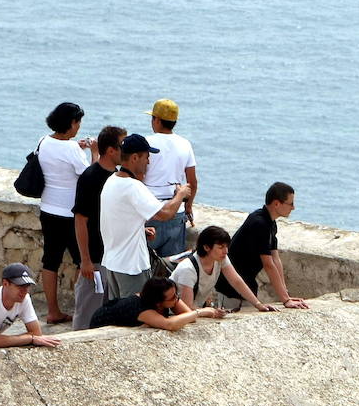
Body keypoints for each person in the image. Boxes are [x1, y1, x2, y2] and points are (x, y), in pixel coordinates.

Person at [99, 134, 190, 300]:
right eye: (147, 157)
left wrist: (139, 231)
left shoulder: (112, 180)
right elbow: (165, 214)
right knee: (135, 318)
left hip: (113, 263)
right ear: (135, 157)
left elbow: (118, 218)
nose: (148, 162)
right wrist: (180, 195)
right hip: (131, 266)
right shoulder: (133, 187)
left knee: (117, 318)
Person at [36, 102, 96, 324]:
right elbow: (90, 175)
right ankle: (83, 310)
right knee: (83, 262)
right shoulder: (71, 149)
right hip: (71, 214)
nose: (79, 126)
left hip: (48, 208)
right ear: (71, 123)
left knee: (50, 261)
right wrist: (94, 152)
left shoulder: (43, 141)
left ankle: (53, 311)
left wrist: (77, 149)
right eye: (78, 122)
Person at [72, 125, 126, 330]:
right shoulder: (90, 178)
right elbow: (80, 220)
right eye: (123, 146)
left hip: (113, 257)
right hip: (95, 259)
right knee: (87, 310)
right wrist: (85, 260)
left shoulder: (118, 177)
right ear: (111, 150)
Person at [231, 182, 309, 310]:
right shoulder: (259, 223)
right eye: (290, 203)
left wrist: (286, 295)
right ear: (277, 203)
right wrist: (285, 300)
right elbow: (268, 264)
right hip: (233, 289)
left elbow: (275, 259)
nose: (293, 207)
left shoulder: (270, 223)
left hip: (248, 285)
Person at [170, 225, 274, 311]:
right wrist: (211, 312)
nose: (226, 251)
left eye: (226, 247)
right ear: (206, 247)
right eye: (221, 247)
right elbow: (186, 307)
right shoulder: (188, 269)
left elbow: (236, 281)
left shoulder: (220, 259)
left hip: (198, 309)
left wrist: (258, 304)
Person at [141, 99, 197, 257]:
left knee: (143, 268)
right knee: (171, 268)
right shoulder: (185, 144)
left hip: (150, 211)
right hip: (176, 212)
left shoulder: (146, 143)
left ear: (157, 120)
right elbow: (192, 182)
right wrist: (188, 206)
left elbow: (137, 177)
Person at [88, 277, 225, 331]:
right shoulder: (143, 309)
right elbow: (169, 325)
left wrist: (177, 303)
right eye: (172, 298)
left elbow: (186, 315)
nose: (177, 299)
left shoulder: (169, 298)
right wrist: (201, 311)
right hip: (101, 322)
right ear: (158, 303)